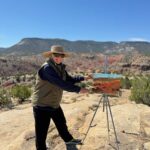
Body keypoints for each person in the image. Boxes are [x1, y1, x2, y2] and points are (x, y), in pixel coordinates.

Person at [32, 45, 88, 150]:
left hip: (54, 103)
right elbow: (61, 83)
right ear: (51, 55)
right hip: (42, 105)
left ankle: (69, 140)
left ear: (63, 56)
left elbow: (69, 79)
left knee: (61, 124)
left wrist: (83, 78)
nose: (58, 57)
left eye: (60, 55)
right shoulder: (47, 68)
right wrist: (79, 90)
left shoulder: (60, 67)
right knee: (41, 132)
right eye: (56, 55)